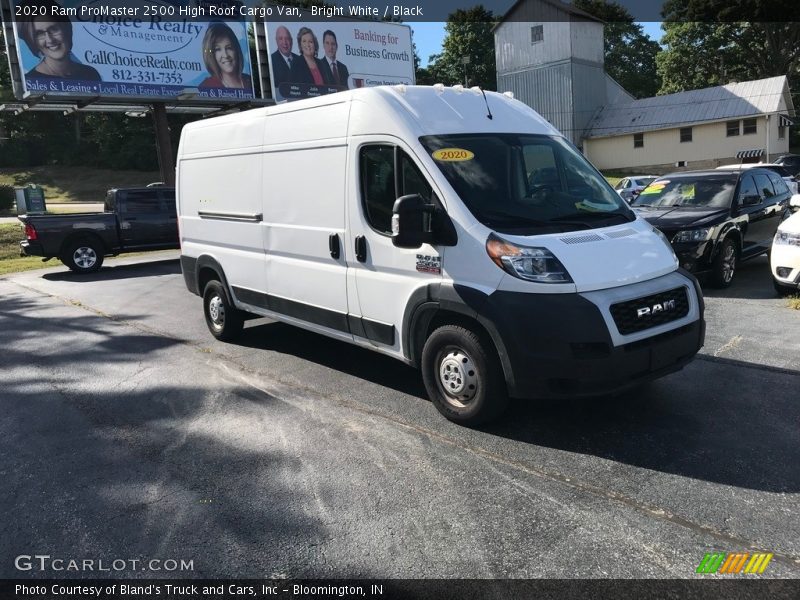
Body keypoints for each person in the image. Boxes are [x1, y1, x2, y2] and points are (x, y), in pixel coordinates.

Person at [18, 0, 101, 81]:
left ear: (66, 29)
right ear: (32, 41)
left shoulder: (91, 74)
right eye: (40, 34)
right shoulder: (30, 81)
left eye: (54, 29)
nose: (50, 39)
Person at [199, 23, 252, 90]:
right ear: (211, 55)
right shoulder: (206, 86)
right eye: (217, 49)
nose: (225, 55)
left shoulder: (250, 81)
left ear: (236, 50)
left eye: (229, 48)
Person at [271, 25, 298, 94]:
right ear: (276, 41)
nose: (284, 42)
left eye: (287, 38)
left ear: (291, 41)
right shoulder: (271, 60)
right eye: (280, 39)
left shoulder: (301, 60)